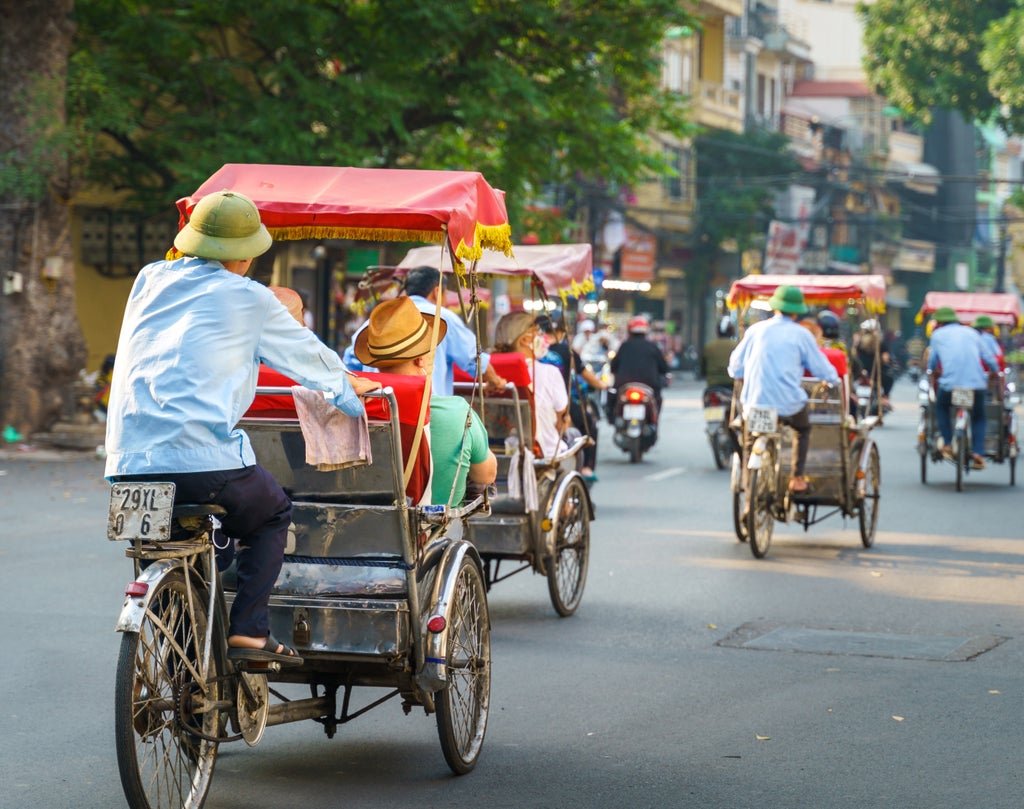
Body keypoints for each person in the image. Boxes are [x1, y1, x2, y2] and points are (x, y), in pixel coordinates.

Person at [104, 190, 381, 667]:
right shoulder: (250, 297)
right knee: (272, 513)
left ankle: (178, 657)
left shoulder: (149, 279)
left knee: (164, 544)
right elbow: (305, 356)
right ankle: (250, 631)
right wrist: (347, 388)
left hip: (127, 463)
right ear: (247, 253)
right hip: (201, 460)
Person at [354, 296, 497, 506]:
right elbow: (486, 475)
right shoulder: (457, 412)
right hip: (429, 529)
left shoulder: (353, 408)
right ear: (422, 359)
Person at [727, 286, 840, 494]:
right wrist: (832, 380)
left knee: (750, 437)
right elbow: (822, 369)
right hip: (788, 404)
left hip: (753, 403)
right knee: (802, 429)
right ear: (796, 311)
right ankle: (797, 478)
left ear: (775, 307)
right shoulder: (801, 335)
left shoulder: (756, 330)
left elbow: (734, 367)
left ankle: (747, 483)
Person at [344, 266, 506, 396]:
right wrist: (495, 381)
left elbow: (350, 364)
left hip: (376, 415)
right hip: (429, 413)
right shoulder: (443, 318)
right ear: (437, 292)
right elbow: (475, 359)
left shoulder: (374, 321)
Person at [536, 314, 609, 482]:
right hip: (560, 403)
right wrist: (601, 385)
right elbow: (586, 375)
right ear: (561, 332)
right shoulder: (567, 351)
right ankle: (587, 468)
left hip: (533, 401)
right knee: (588, 426)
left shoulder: (530, 353)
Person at [926, 306, 999, 470]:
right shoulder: (972, 333)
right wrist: (995, 372)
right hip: (977, 384)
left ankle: (946, 442)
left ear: (939, 323)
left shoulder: (937, 335)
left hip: (950, 384)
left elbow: (932, 361)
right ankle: (978, 452)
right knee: (979, 416)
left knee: (941, 407)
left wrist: (932, 371)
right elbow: (989, 358)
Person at [493, 310, 570, 458]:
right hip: (541, 452)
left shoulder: (489, 372)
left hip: (493, 449)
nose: (541, 337)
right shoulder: (550, 372)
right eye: (537, 332)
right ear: (524, 340)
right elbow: (562, 422)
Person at [610, 315, 669, 414]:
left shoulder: (624, 347)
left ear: (630, 332)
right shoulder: (653, 347)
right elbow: (663, 368)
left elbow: (614, 366)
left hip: (624, 384)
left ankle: (613, 419)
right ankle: (654, 423)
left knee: (612, 396)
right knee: (658, 399)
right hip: (650, 384)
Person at [853, 319, 894, 411]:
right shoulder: (880, 342)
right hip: (875, 373)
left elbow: (854, 355)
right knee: (890, 378)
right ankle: (885, 398)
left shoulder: (860, 343)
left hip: (861, 372)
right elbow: (885, 359)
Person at [700, 316, 737, 388]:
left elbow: (703, 369)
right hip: (732, 385)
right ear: (732, 331)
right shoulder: (737, 346)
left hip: (713, 385)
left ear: (717, 331)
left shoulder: (709, 346)